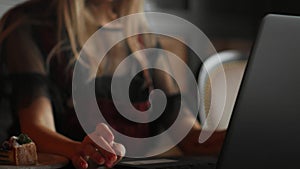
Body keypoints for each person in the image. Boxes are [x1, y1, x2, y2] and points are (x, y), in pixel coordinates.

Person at [0, 0, 226, 168]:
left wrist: (246, 134)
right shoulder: (29, 24)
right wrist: (79, 149)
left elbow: (190, 137)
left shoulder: (140, 34)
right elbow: (36, 130)